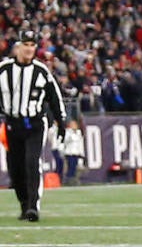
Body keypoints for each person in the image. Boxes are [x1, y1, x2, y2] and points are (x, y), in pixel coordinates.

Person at [0, 29, 67, 221]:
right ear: (18, 46)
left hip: (35, 124)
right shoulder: (4, 70)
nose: (29, 49)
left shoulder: (40, 71)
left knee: (31, 162)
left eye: (32, 45)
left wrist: (60, 122)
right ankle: (23, 204)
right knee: (15, 169)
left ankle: (33, 206)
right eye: (26, 45)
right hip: (12, 124)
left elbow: (54, 97)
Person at [61, 120, 85, 186]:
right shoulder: (68, 132)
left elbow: (80, 143)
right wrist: (71, 134)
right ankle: (68, 181)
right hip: (69, 152)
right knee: (70, 167)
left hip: (76, 152)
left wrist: (81, 153)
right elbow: (65, 141)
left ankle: (73, 181)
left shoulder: (78, 132)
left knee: (75, 167)